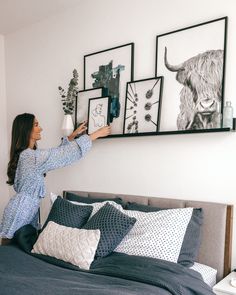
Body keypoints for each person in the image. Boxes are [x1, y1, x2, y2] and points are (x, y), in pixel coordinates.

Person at [0, 113, 111, 245]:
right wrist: (95, 134)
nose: (40, 128)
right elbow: (60, 155)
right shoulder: (31, 157)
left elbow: (55, 156)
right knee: (8, 254)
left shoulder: (29, 155)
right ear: (26, 130)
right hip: (19, 213)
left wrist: (71, 137)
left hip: (22, 211)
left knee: (13, 255)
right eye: (36, 125)